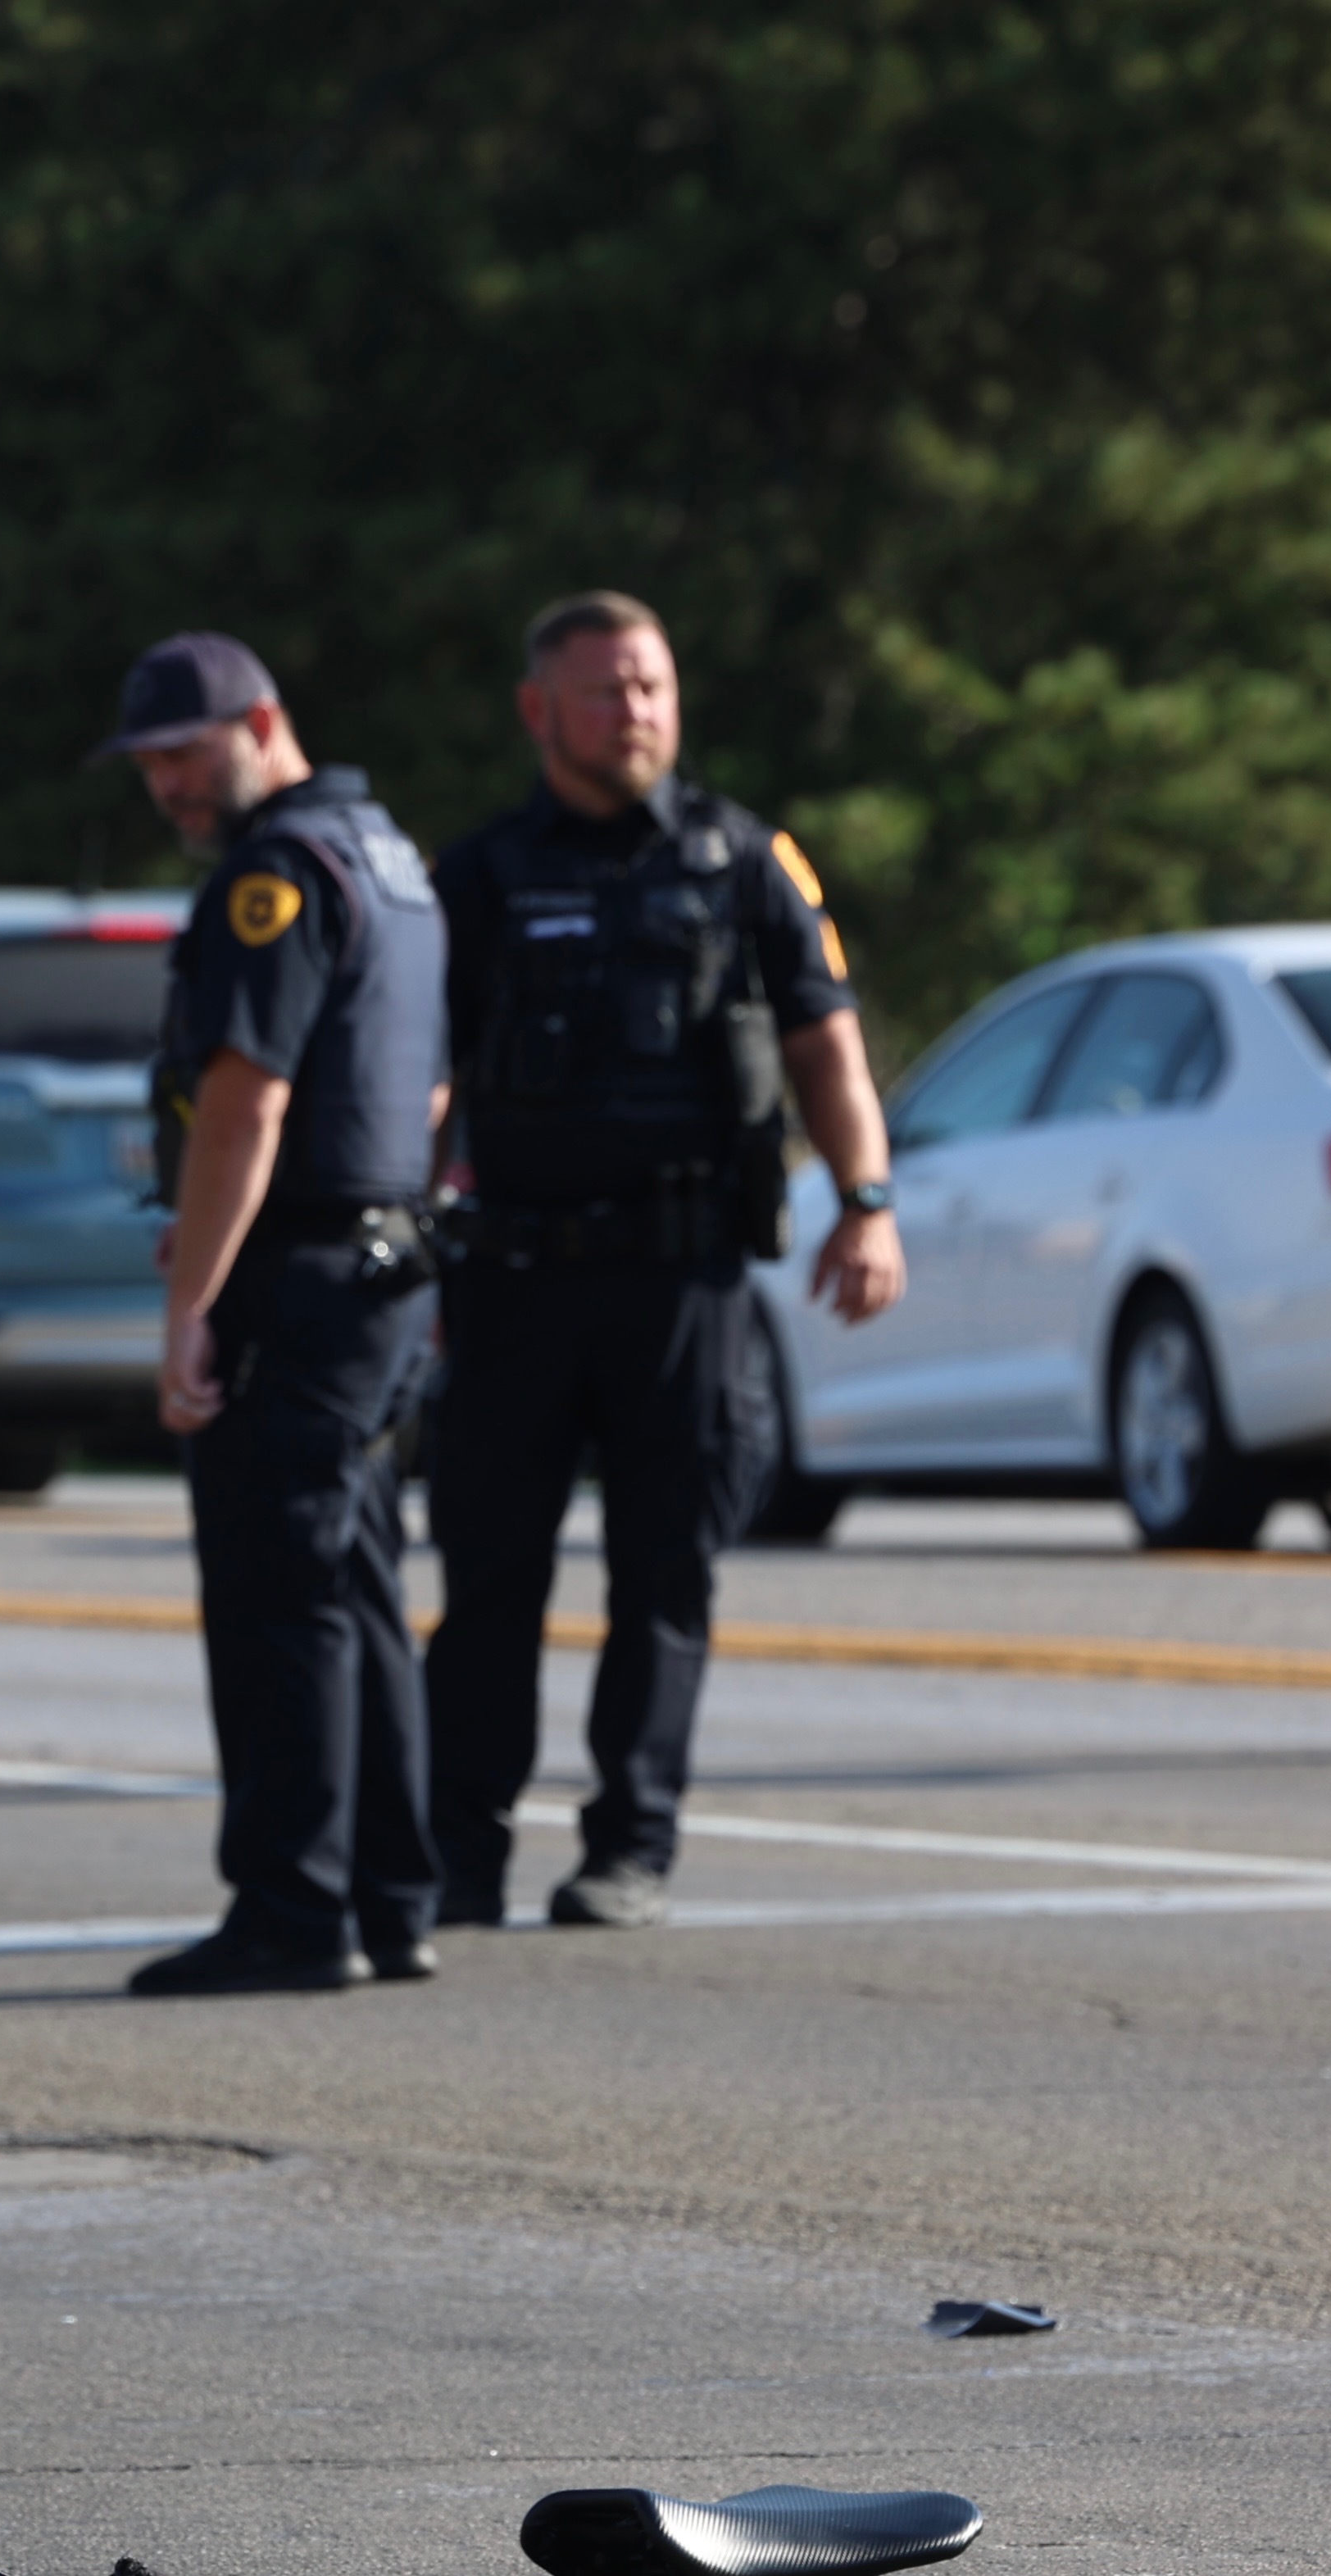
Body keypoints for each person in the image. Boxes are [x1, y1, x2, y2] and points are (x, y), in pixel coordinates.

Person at [421, 592, 906, 1931]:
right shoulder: (478, 877)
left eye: (652, 687)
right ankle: (457, 1854)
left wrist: (866, 1203)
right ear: (539, 712)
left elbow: (827, 1045)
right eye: (606, 690)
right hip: (513, 1284)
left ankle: (629, 1846)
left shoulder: (746, 861)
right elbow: (422, 1076)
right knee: (490, 1580)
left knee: (667, 1577)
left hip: (681, 1282)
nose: (636, 712)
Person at [98, 631, 452, 1998]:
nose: (169, 789)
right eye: (149, 768)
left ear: (264, 723)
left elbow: (250, 1099)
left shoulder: (278, 876)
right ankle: (390, 1896)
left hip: (301, 1276)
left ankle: (292, 1913)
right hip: (377, 1263)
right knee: (353, 1584)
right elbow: (423, 1085)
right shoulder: (390, 860)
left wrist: (194, 1304)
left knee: (275, 1596)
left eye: (185, 756)